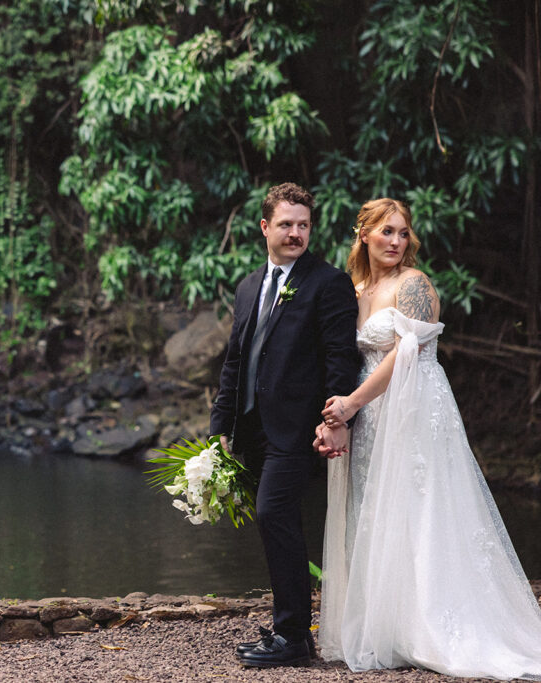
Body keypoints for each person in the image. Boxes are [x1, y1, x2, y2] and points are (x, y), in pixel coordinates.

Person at [315, 198, 541, 679]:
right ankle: (388, 625)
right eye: (386, 232)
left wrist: (353, 402)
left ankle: (432, 626)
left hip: (413, 405)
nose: (396, 241)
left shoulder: (413, 285)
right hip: (373, 414)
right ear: (364, 235)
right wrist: (340, 414)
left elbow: (406, 353)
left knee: (421, 505)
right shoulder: (355, 288)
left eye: (402, 233)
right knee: (378, 508)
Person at [209, 182, 360, 668]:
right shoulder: (250, 285)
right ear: (265, 227)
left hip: (297, 429)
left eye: (303, 225)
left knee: (273, 514)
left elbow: (341, 359)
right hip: (254, 427)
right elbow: (236, 359)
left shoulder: (328, 282)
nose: (296, 233)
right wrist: (222, 425)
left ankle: (293, 636)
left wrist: (335, 420)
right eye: (286, 225)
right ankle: (289, 628)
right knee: (278, 522)